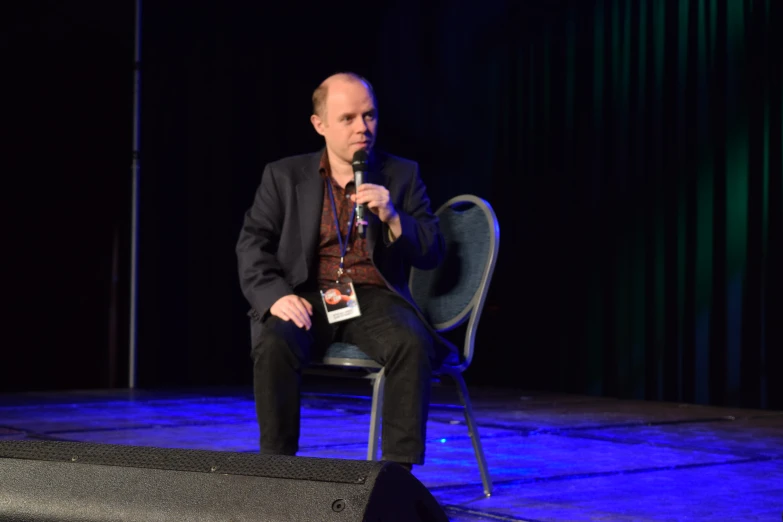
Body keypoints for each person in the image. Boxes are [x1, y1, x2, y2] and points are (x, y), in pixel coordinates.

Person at [235, 72, 453, 470]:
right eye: (348, 118)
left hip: (374, 296)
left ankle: (397, 474)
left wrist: (393, 215)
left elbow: (432, 251)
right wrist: (276, 296)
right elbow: (252, 245)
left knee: (412, 342)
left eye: (369, 116)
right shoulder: (284, 176)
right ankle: (276, 468)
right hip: (307, 293)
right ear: (320, 125)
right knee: (274, 342)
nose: (362, 129)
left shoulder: (401, 175)